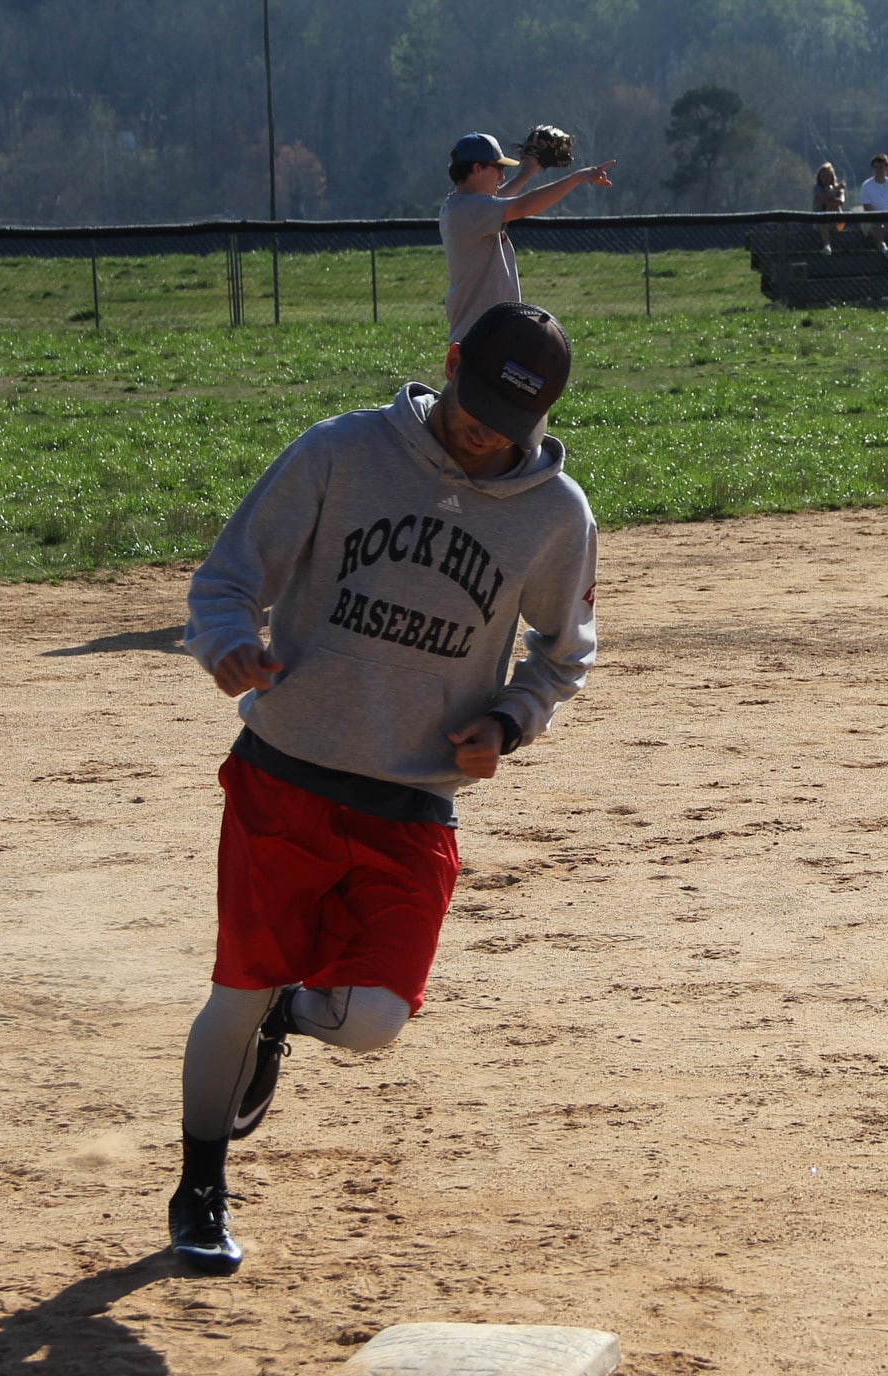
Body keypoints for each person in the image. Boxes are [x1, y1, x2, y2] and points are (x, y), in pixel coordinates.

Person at [167, 301, 599, 1274]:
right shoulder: (340, 453)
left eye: (511, 420)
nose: (487, 429)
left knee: (373, 1021)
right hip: (286, 775)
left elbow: (563, 655)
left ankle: (285, 1019)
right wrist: (227, 644)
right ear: (448, 362)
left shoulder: (553, 515)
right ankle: (200, 1188)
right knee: (233, 992)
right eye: (476, 400)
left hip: (411, 799)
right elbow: (227, 579)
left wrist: (507, 720)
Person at [439, 132, 616, 341]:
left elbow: (499, 198)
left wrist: (528, 172)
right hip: (479, 336)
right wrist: (576, 178)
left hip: (486, 330)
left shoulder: (461, 205)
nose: (501, 176)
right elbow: (522, 206)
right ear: (478, 169)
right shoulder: (469, 210)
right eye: (498, 168)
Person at [858, 153, 888, 257]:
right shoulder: (866, 186)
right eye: (876, 167)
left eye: (881, 167)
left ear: (886, 167)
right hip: (872, 220)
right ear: (873, 168)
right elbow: (867, 209)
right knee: (877, 235)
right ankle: (886, 252)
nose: (879, 170)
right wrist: (879, 222)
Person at [812, 162, 847, 255]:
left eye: (828, 175)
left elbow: (840, 202)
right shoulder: (817, 188)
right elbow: (824, 195)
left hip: (838, 223)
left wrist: (825, 202)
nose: (825, 178)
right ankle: (827, 245)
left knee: (832, 208)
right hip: (820, 223)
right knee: (823, 220)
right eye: (823, 176)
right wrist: (836, 190)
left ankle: (827, 245)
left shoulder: (839, 189)